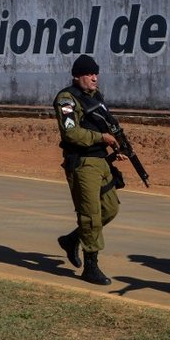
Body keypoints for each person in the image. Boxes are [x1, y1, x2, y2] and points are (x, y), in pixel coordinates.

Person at [53, 54, 126, 285]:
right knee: (91, 215)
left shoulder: (96, 97)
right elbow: (71, 133)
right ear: (77, 76)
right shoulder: (67, 99)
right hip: (82, 163)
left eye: (96, 73)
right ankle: (91, 266)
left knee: (110, 208)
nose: (94, 77)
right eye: (89, 74)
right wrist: (101, 137)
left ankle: (72, 239)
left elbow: (105, 124)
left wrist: (116, 145)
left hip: (102, 161)